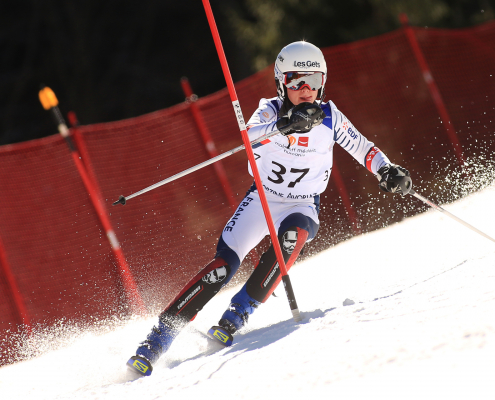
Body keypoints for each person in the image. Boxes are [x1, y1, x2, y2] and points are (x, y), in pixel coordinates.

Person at [126, 41, 412, 377]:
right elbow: (249, 135)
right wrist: (287, 125)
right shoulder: (269, 111)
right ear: (281, 83)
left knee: (294, 236)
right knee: (222, 267)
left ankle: (239, 312)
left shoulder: (330, 117)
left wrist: (386, 169)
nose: (306, 90)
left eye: (314, 81)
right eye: (296, 82)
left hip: (303, 203)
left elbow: (363, 147)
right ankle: (158, 339)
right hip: (263, 198)